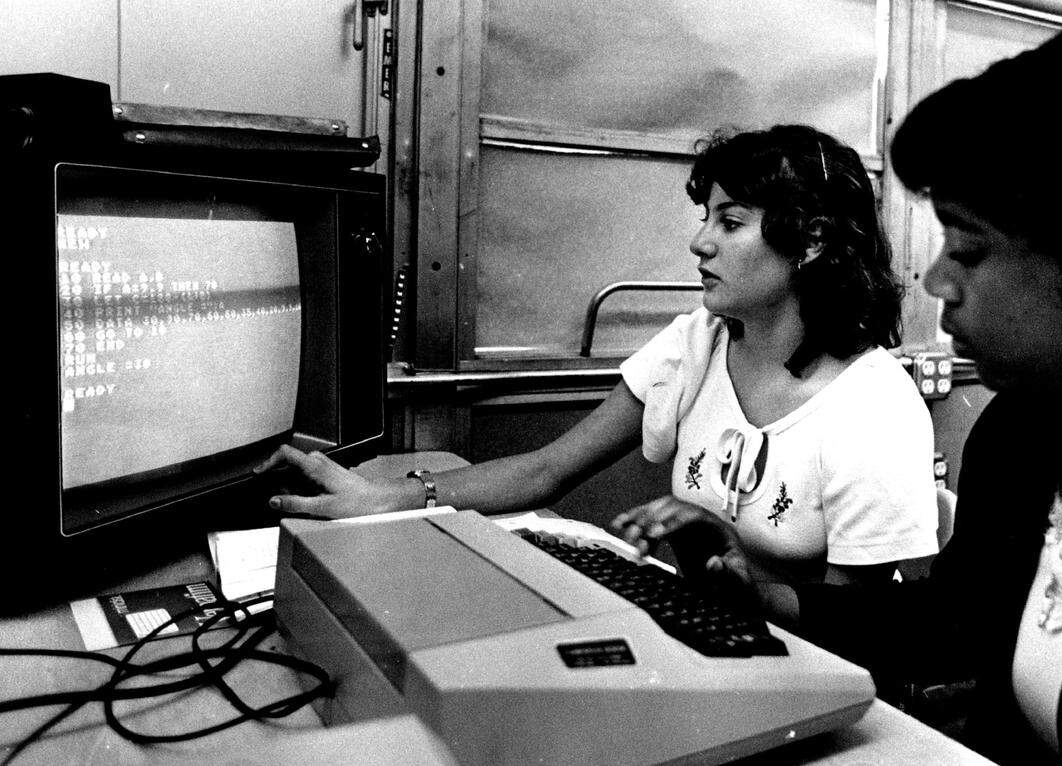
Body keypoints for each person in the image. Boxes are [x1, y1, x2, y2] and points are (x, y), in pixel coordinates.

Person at [709, 22, 1062, 765]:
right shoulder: (1025, 431)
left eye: (968, 249)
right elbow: (955, 619)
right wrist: (771, 599)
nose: (936, 281)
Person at [258, 124, 938, 586]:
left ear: (813, 241)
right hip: (696, 634)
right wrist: (387, 499)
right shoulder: (696, 342)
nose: (700, 245)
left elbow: (859, 632)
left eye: (729, 224)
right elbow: (548, 470)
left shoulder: (873, 407)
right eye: (706, 219)